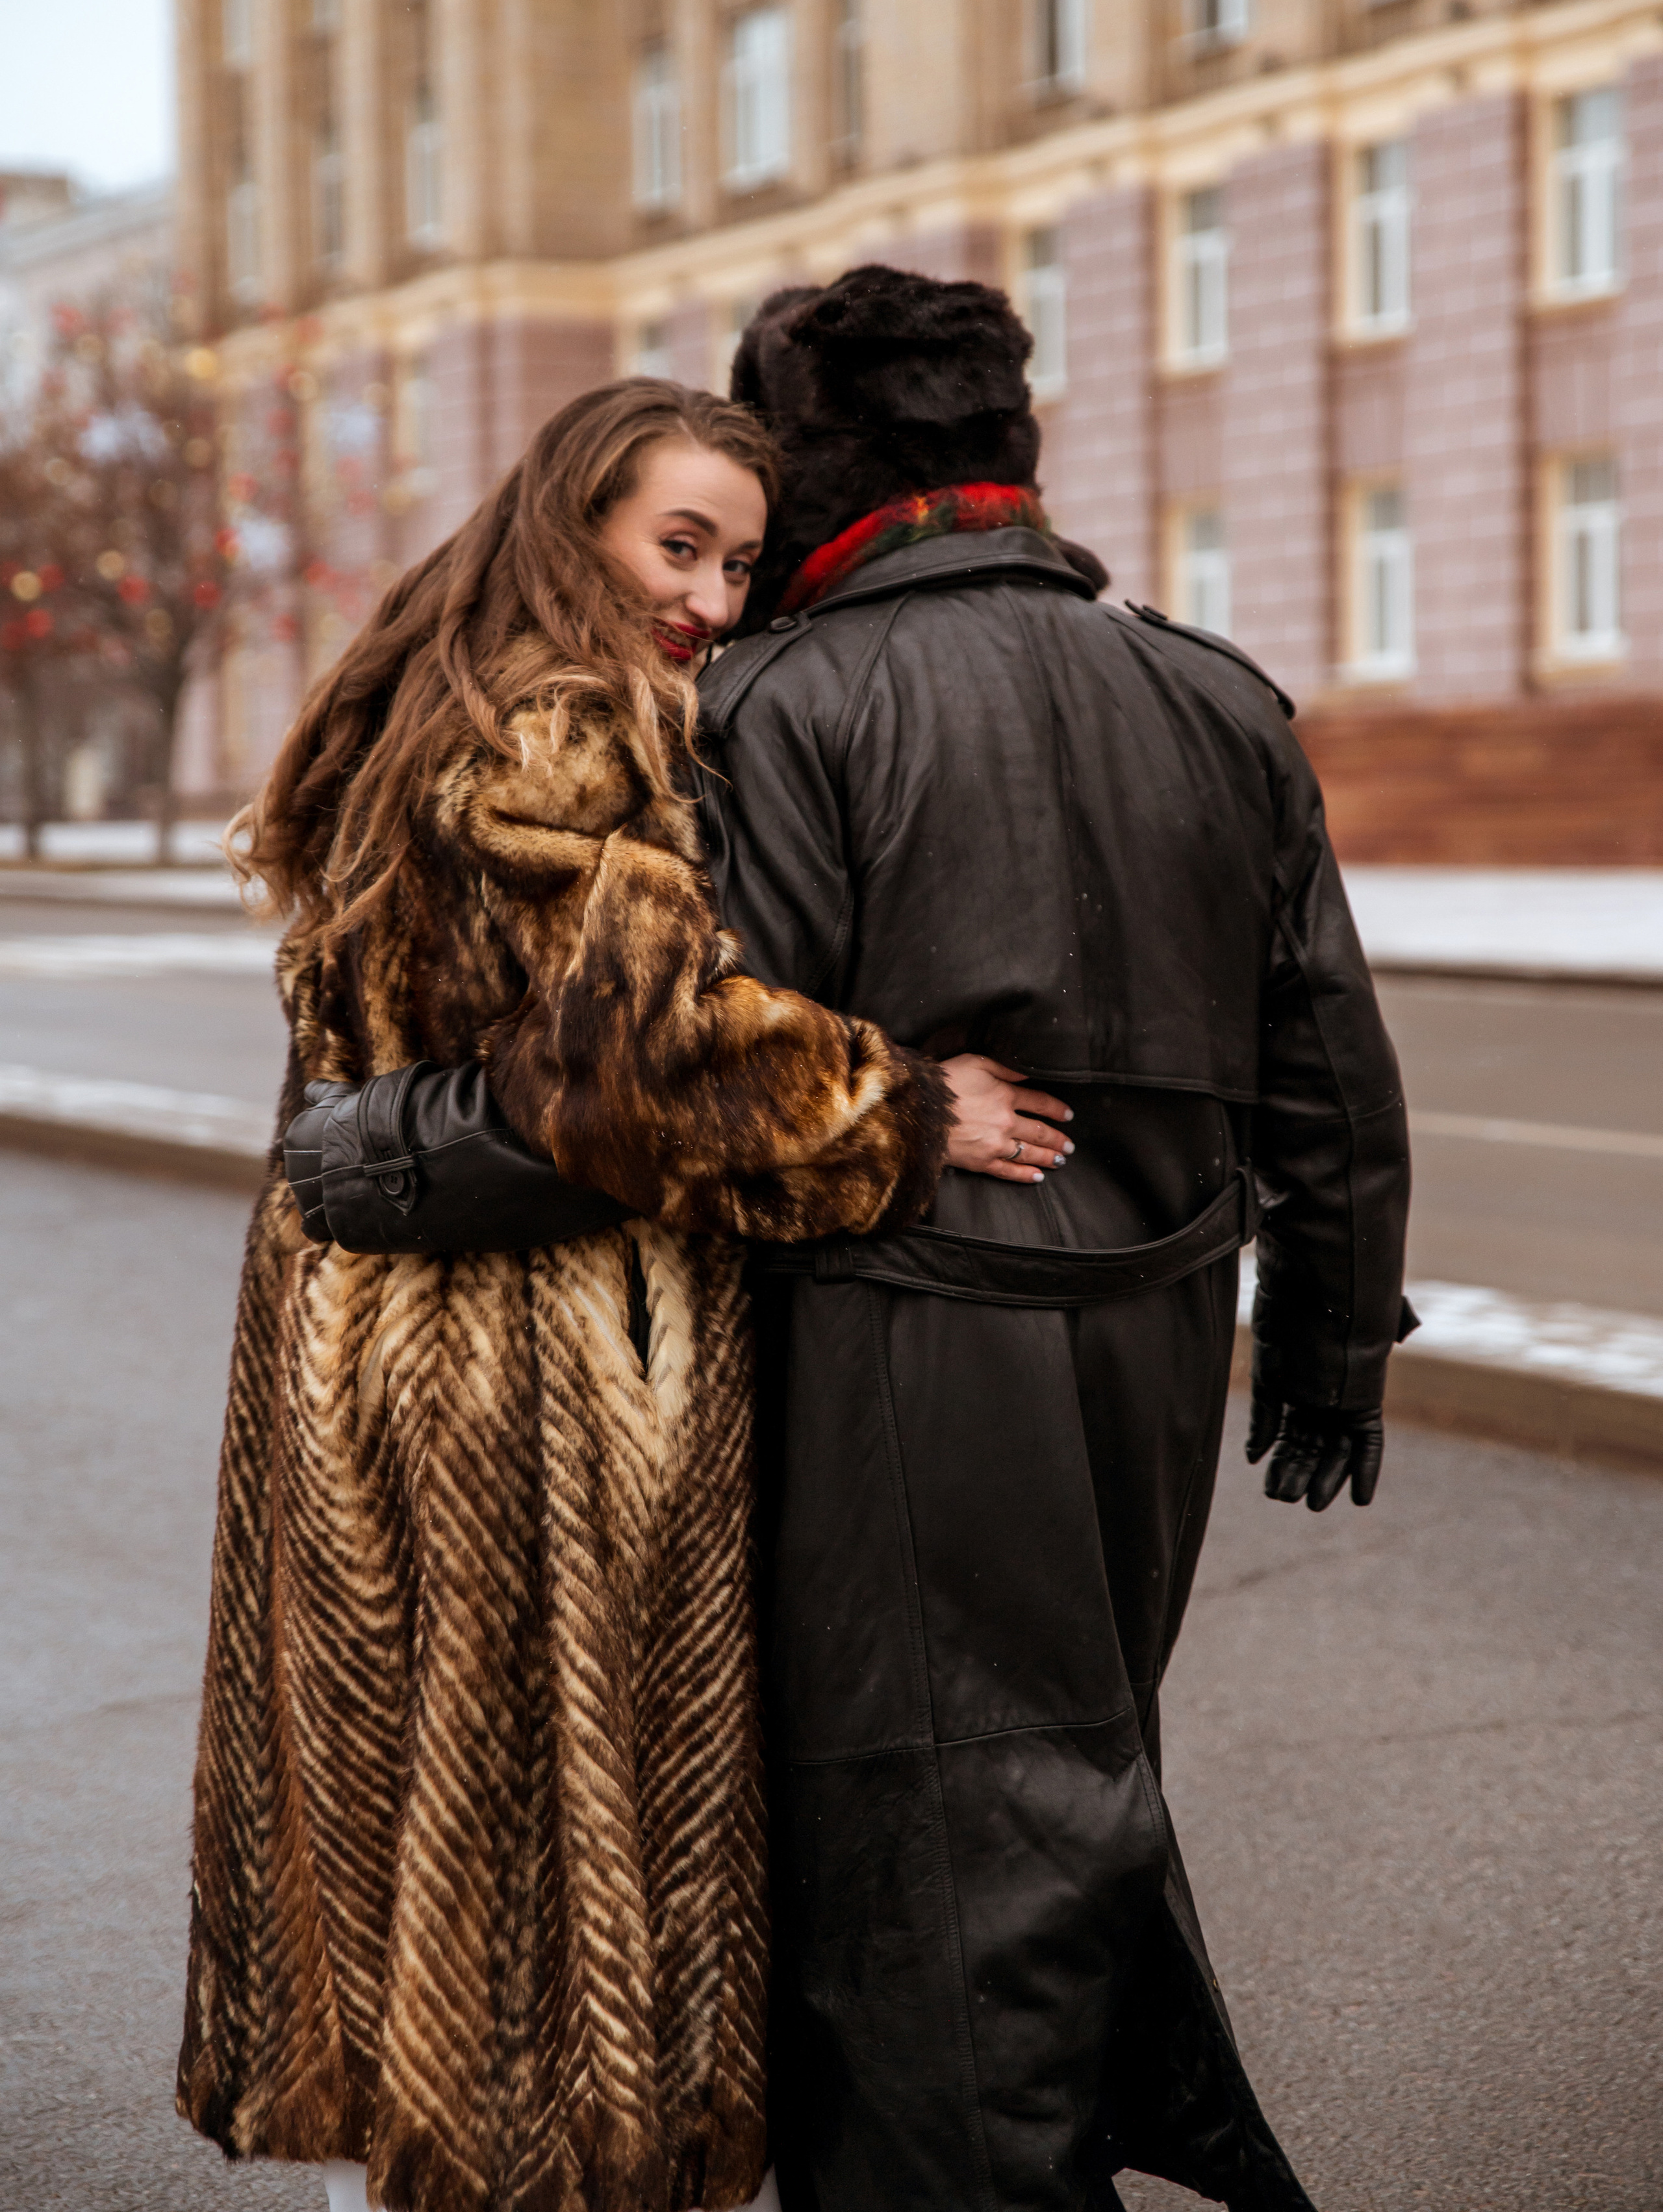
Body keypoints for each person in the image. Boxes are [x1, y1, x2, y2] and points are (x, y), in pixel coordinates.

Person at [296, 268, 1415, 2212]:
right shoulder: (1216, 692)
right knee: (1067, 1770)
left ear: (823, 473)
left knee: (922, 1839)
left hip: (895, 1348)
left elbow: (651, 1092)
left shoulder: (783, 708)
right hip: (1155, 1350)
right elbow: (1325, 1047)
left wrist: (377, 1152)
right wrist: (1330, 1343)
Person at [176, 379, 1074, 2212]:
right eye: (680, 547)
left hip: (378, 1333)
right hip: (522, 1363)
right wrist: (903, 1105)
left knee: (425, 1811)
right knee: (534, 1857)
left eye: (739, 563)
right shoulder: (565, 724)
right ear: (573, 520)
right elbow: (641, 1054)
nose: (715, 600)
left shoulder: (432, 691)